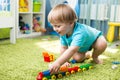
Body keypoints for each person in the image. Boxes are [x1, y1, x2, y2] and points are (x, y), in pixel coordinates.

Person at [48, 4, 107, 74]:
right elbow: (64, 47)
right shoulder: (63, 32)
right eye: (53, 26)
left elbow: (72, 49)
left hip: (95, 40)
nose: (55, 29)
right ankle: (87, 55)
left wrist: (58, 63)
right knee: (77, 58)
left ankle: (95, 56)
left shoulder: (80, 32)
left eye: (58, 26)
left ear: (71, 23)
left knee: (102, 44)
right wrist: (65, 61)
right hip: (82, 46)